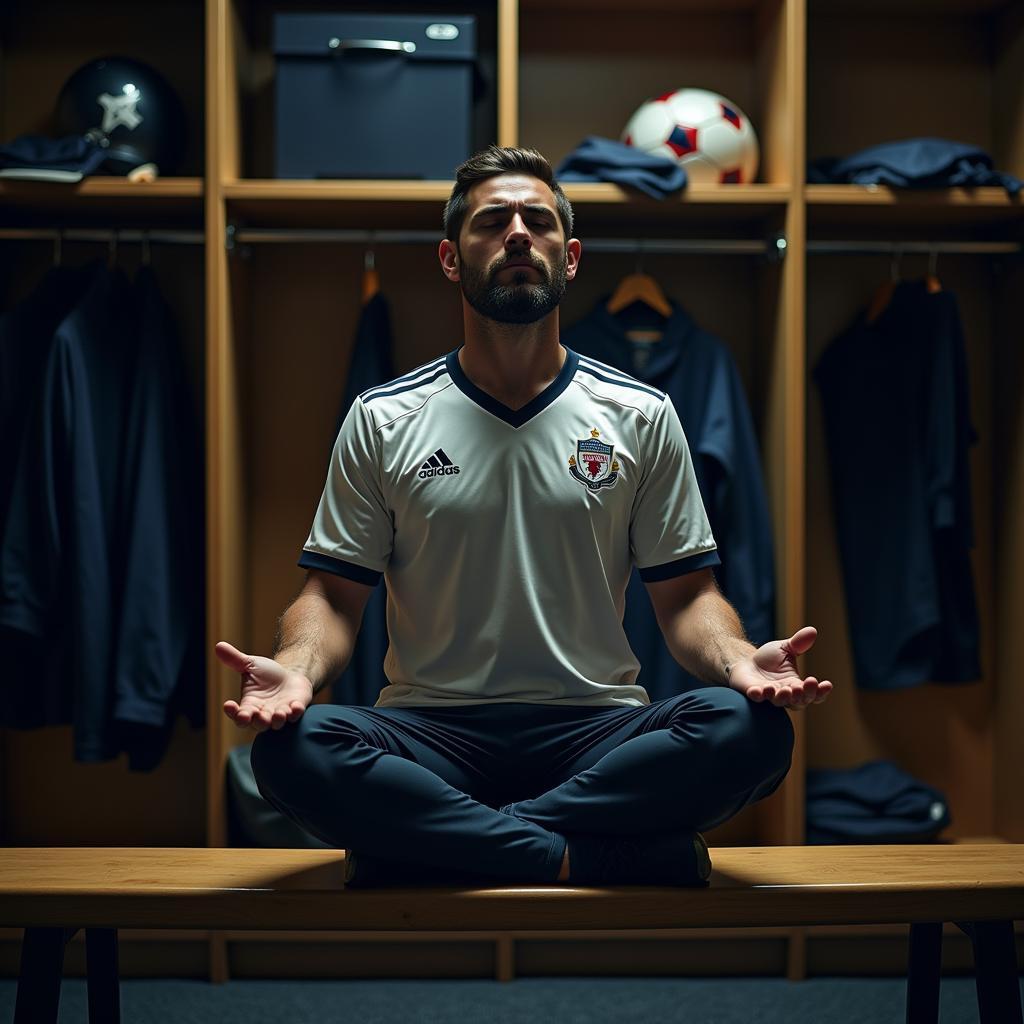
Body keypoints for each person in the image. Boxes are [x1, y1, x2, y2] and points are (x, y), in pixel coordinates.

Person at [215, 146, 833, 888]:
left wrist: (740, 663)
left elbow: (689, 597)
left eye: (537, 220)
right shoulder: (383, 418)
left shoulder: (640, 415)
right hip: (432, 729)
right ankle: (583, 854)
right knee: (292, 751)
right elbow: (332, 596)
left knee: (749, 732)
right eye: (490, 222)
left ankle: (436, 842)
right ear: (451, 258)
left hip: (596, 729)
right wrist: (296, 669)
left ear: (568, 258)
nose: (516, 234)